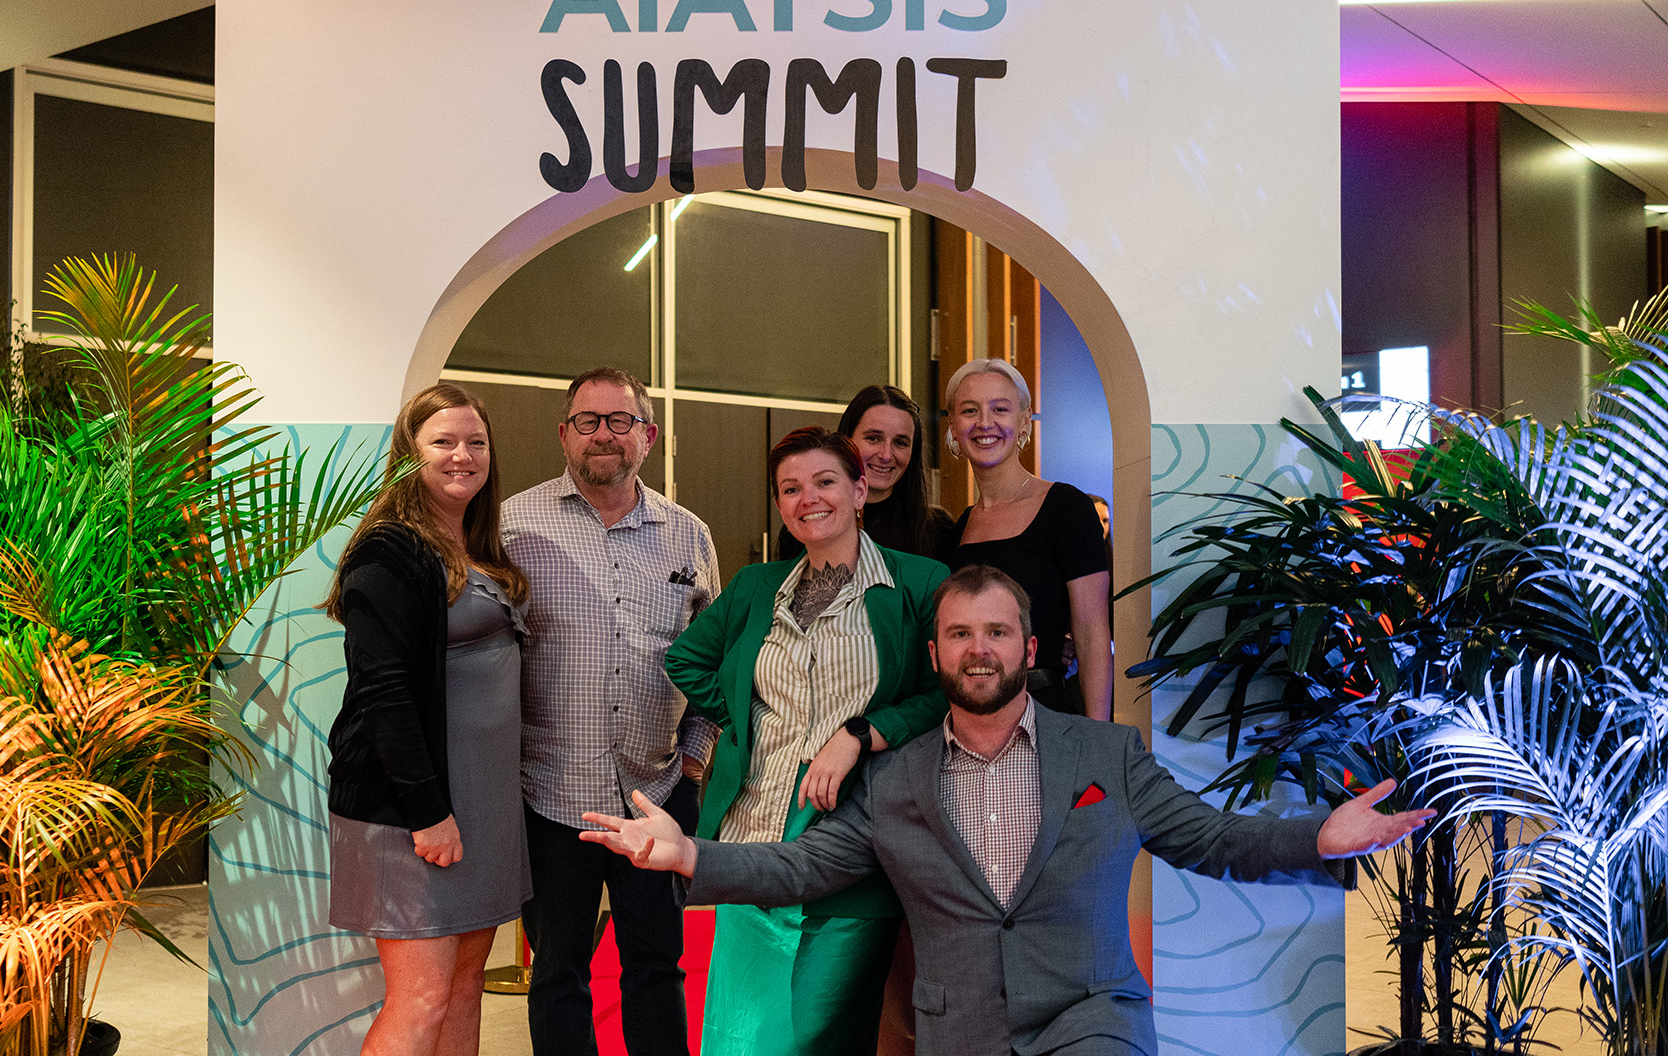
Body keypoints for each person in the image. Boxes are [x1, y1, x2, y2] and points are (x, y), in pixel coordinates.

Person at [583, 565, 1435, 1056]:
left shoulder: (1106, 756)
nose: (979, 649)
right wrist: (688, 853)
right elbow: (804, 866)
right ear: (935, 653)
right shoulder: (894, 780)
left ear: (1029, 647)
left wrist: (1320, 836)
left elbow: (1210, 838)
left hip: (1091, 1017)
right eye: (960, 634)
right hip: (962, 1031)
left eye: (996, 633)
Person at [665, 427, 949, 1055]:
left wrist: (862, 733)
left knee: (815, 1034)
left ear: (860, 489)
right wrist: (748, 720)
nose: (807, 498)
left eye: (824, 482)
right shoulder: (755, 586)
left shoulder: (918, 583)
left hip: (852, 833)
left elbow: (944, 692)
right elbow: (685, 659)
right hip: (753, 828)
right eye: (790, 489)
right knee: (740, 1033)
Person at [500, 366, 720, 1056]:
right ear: (564, 434)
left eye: (620, 421)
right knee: (557, 973)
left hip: (656, 796)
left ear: (647, 436)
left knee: (656, 969)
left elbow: (713, 661)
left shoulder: (689, 537)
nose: (603, 434)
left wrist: (693, 763)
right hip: (548, 795)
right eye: (587, 421)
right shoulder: (512, 525)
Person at [320, 382, 532, 1056]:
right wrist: (427, 812)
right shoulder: (389, 551)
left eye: (476, 441)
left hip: (484, 808)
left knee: (466, 986)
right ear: (410, 455)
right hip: (415, 810)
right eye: (443, 441)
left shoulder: (479, 544)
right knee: (422, 997)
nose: (463, 455)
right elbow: (382, 692)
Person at [943, 359, 1112, 721]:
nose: (984, 423)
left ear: (1024, 421)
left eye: (1000, 409)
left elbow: (1091, 633)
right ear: (953, 426)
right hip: (969, 721)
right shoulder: (959, 527)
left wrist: (1099, 737)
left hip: (1046, 717)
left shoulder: (1067, 508)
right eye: (970, 410)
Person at [774, 385, 957, 564]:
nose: (886, 455)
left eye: (900, 443)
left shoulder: (938, 529)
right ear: (846, 441)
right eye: (873, 438)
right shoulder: (809, 521)